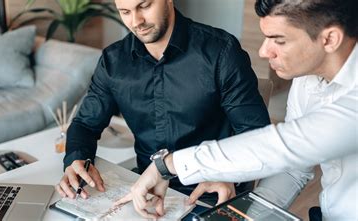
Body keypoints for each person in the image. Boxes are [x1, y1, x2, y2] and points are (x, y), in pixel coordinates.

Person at [116, 0, 358, 220]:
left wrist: (167, 165)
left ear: (329, 39)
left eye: (279, 40)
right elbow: (293, 168)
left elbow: (283, 146)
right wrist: (242, 216)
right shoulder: (307, 80)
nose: (264, 52)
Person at [55, 0, 270, 206]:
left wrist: (230, 176)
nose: (136, 21)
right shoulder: (113, 62)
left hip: (211, 192)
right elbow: (85, 124)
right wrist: (76, 160)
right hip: (146, 191)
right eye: (125, 12)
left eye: (145, 6)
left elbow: (256, 134)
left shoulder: (220, 52)